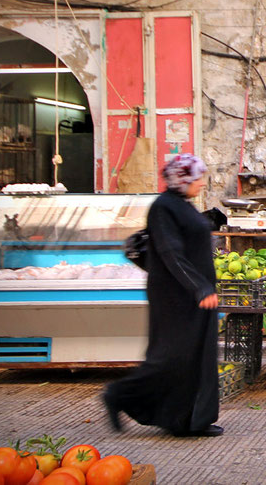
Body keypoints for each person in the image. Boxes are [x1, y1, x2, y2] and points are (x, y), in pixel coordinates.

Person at [104, 153, 223, 437]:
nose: (202, 184)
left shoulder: (181, 204)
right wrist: (199, 287)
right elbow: (171, 253)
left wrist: (209, 222)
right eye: (197, 178)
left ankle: (189, 420)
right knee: (171, 358)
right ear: (182, 179)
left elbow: (188, 237)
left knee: (196, 357)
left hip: (194, 296)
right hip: (175, 298)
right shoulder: (162, 208)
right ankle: (118, 395)